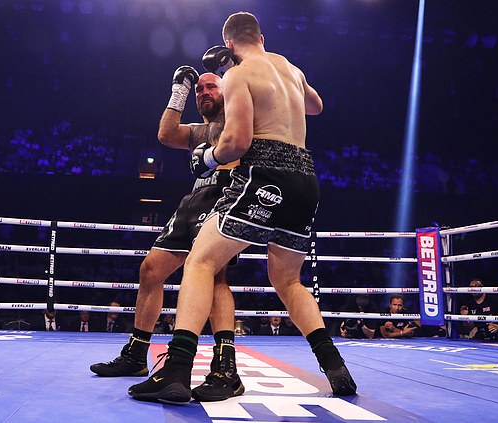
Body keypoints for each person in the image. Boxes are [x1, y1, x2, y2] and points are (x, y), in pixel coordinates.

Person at [129, 12, 356, 404]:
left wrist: (208, 159)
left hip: (265, 171)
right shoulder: (289, 68)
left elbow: (235, 141)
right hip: (306, 177)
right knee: (288, 281)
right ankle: (335, 367)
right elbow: (316, 105)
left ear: (229, 44)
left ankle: (178, 371)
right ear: (262, 37)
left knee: (200, 262)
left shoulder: (237, 74)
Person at [90, 69, 245, 401]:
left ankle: (226, 367)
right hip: (193, 199)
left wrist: (231, 75)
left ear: (227, 90)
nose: (205, 92)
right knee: (151, 269)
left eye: (211, 87)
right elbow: (165, 134)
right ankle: (135, 355)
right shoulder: (198, 131)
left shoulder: (241, 120)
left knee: (215, 275)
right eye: (200, 89)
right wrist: (180, 90)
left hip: (225, 195)